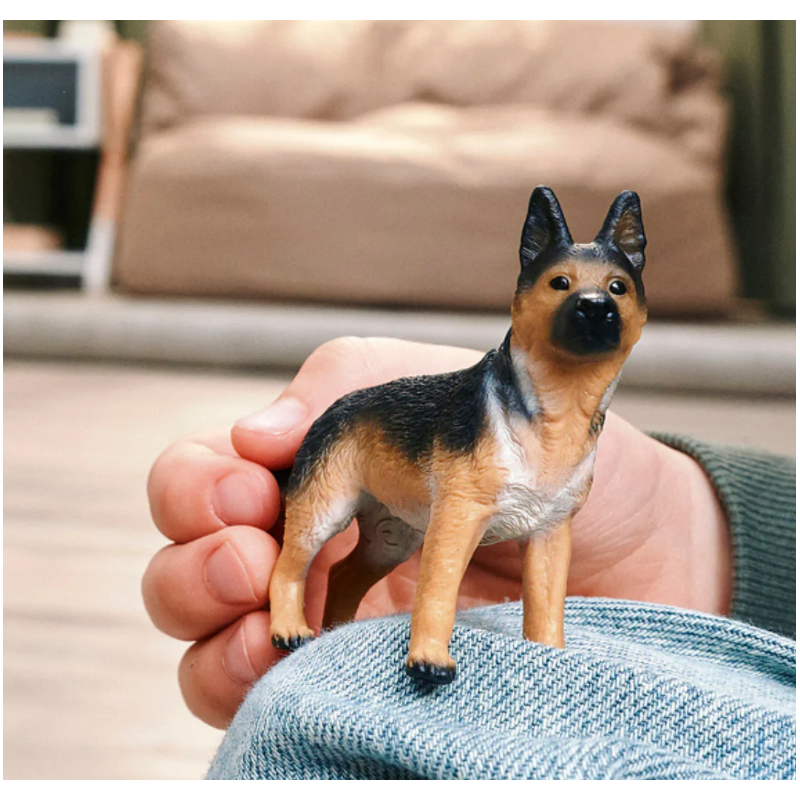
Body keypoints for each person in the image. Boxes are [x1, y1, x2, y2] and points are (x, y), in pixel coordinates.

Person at [144, 337, 796, 780]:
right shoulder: (481, 414)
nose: (593, 304)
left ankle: (354, 636)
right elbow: (455, 527)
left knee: (361, 597)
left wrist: (550, 647)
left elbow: (552, 526)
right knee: (313, 540)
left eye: (618, 290)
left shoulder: (582, 435)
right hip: (362, 440)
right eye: (562, 284)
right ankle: (337, 613)